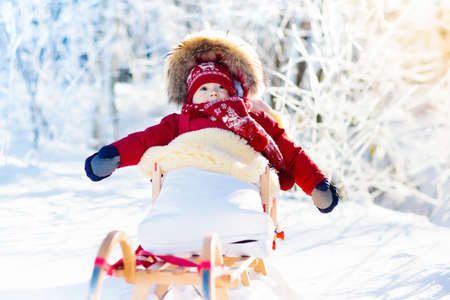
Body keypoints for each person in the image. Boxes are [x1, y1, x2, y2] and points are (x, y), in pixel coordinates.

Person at [85, 31, 338, 213]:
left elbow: (289, 152)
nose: (214, 92)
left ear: (233, 92)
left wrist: (315, 184)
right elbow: (144, 141)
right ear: (190, 95)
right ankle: (169, 227)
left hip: (235, 181)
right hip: (187, 182)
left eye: (221, 87)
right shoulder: (179, 122)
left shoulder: (251, 119)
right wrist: (115, 155)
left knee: (237, 200)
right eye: (204, 88)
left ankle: (238, 223)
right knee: (172, 183)